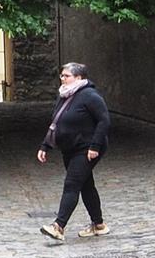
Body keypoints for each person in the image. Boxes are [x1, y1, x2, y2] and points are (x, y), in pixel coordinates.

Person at [36, 63, 110, 242]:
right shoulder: (64, 95)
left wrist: (95, 146)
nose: (63, 79)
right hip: (70, 148)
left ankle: (58, 226)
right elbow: (56, 122)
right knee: (86, 185)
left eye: (67, 76)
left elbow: (104, 121)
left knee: (72, 184)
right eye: (62, 75)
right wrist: (45, 146)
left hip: (86, 148)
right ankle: (99, 225)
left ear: (79, 78)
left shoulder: (90, 95)